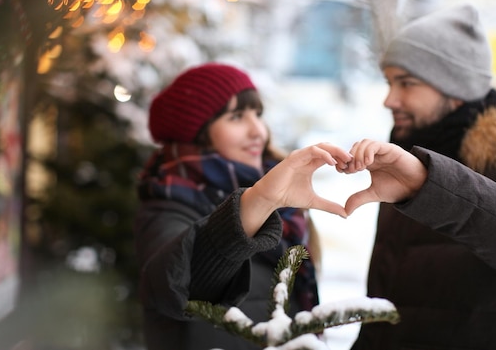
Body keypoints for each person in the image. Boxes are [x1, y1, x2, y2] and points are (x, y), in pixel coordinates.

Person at [341, 4, 496, 350]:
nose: (389, 99)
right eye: (389, 82)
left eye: (407, 83)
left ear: (457, 89)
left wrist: (430, 186)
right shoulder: (410, 153)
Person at [134, 63, 351, 350]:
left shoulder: (279, 194)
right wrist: (256, 204)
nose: (258, 131)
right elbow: (177, 286)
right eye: (236, 117)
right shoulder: (169, 202)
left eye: (258, 114)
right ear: (196, 133)